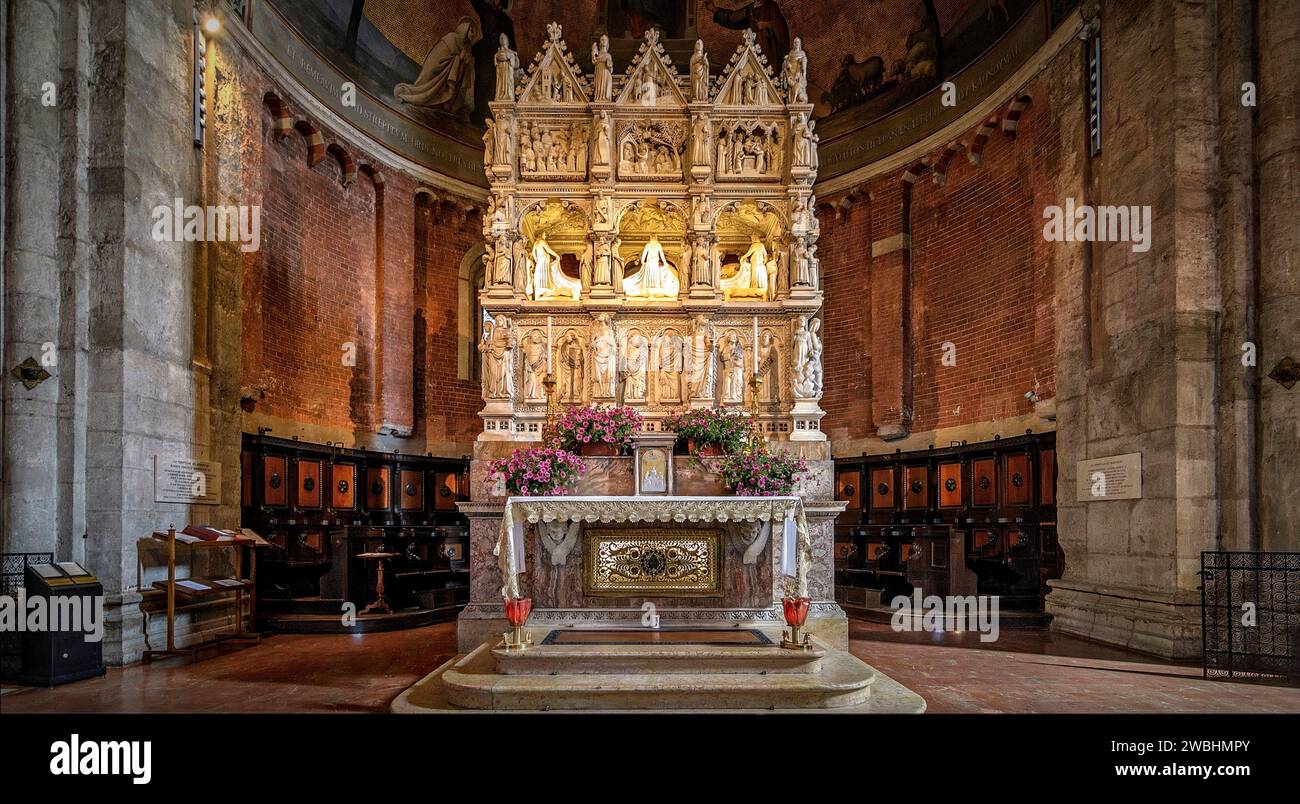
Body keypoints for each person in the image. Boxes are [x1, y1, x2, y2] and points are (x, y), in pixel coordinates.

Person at [394, 17, 481, 116]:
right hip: (436, 70)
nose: (472, 34)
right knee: (424, 91)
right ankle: (412, 95)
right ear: (464, 29)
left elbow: (465, 69)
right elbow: (438, 58)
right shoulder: (451, 38)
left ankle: (442, 100)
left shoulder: (467, 48)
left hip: (449, 77)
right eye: (471, 30)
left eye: (473, 32)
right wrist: (457, 59)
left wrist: (462, 61)